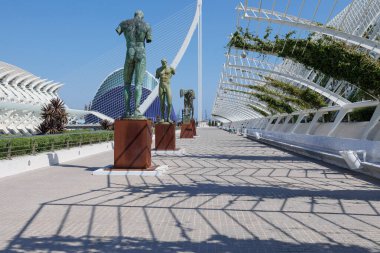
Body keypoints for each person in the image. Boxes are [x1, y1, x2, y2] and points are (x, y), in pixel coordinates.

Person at [116, 10, 152, 117]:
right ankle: (136, 110)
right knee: (138, 84)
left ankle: (127, 111)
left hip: (129, 52)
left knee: (127, 84)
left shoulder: (125, 23)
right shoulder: (146, 25)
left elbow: (118, 30)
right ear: (142, 16)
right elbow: (149, 39)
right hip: (141, 53)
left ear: (134, 15)